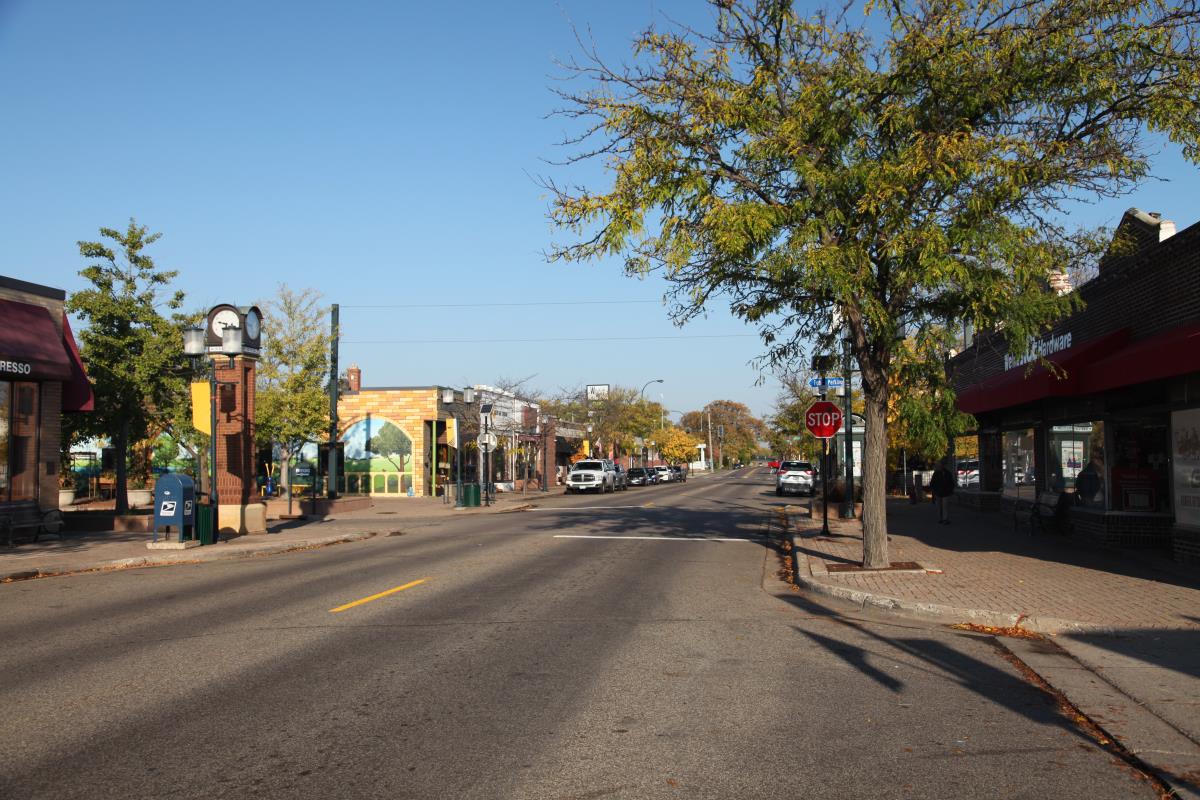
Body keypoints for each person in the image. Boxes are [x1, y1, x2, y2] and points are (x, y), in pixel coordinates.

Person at [930, 459, 956, 525]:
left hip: (946, 492)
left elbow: (951, 482)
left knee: (945, 506)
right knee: (939, 506)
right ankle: (940, 518)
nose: (939, 466)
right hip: (938, 492)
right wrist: (934, 491)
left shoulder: (947, 473)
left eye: (940, 465)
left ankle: (945, 519)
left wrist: (950, 490)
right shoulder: (936, 473)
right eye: (938, 465)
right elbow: (932, 483)